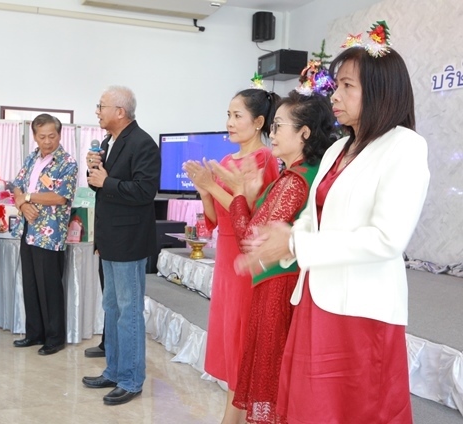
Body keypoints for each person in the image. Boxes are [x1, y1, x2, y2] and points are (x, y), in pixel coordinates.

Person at [244, 23, 430, 424]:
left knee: (355, 409)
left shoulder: (405, 147)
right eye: (337, 85)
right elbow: (315, 215)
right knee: (310, 408)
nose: (335, 96)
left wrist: (296, 244)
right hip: (317, 298)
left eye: (348, 86)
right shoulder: (339, 148)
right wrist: (288, 236)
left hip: (361, 311)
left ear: (380, 91)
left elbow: (387, 239)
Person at [211, 69, 336, 423]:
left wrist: (240, 196)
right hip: (285, 284)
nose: (273, 133)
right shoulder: (307, 173)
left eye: (279, 126)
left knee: (271, 380)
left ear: (304, 133)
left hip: (277, 288)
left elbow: (252, 239)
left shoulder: (294, 180)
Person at [182, 88, 280, 424]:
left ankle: (232, 418)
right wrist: (203, 190)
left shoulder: (264, 159)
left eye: (238, 116)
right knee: (229, 337)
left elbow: (251, 216)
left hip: (246, 257)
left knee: (241, 339)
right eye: (229, 115)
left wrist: (212, 186)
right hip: (225, 256)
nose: (230, 122)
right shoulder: (226, 162)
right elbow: (216, 218)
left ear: (259, 122)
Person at [81, 86, 160, 406]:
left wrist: (106, 181)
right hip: (110, 240)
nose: (97, 111)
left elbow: (145, 192)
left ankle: (131, 379)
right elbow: (102, 189)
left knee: (129, 313)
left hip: (129, 242)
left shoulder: (143, 143)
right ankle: (114, 370)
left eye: (101, 106)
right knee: (112, 309)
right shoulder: (108, 142)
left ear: (120, 112)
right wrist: (94, 172)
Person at [11, 114, 78, 355]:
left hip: (49, 234)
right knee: (30, 284)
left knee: (49, 286)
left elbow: (60, 197)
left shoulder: (67, 163)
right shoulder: (31, 157)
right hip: (27, 228)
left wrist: (27, 197)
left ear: (60, 134)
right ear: (34, 136)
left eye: (52, 136)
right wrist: (22, 203)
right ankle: (34, 333)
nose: (47, 141)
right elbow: (16, 185)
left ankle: (54, 338)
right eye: (42, 137)